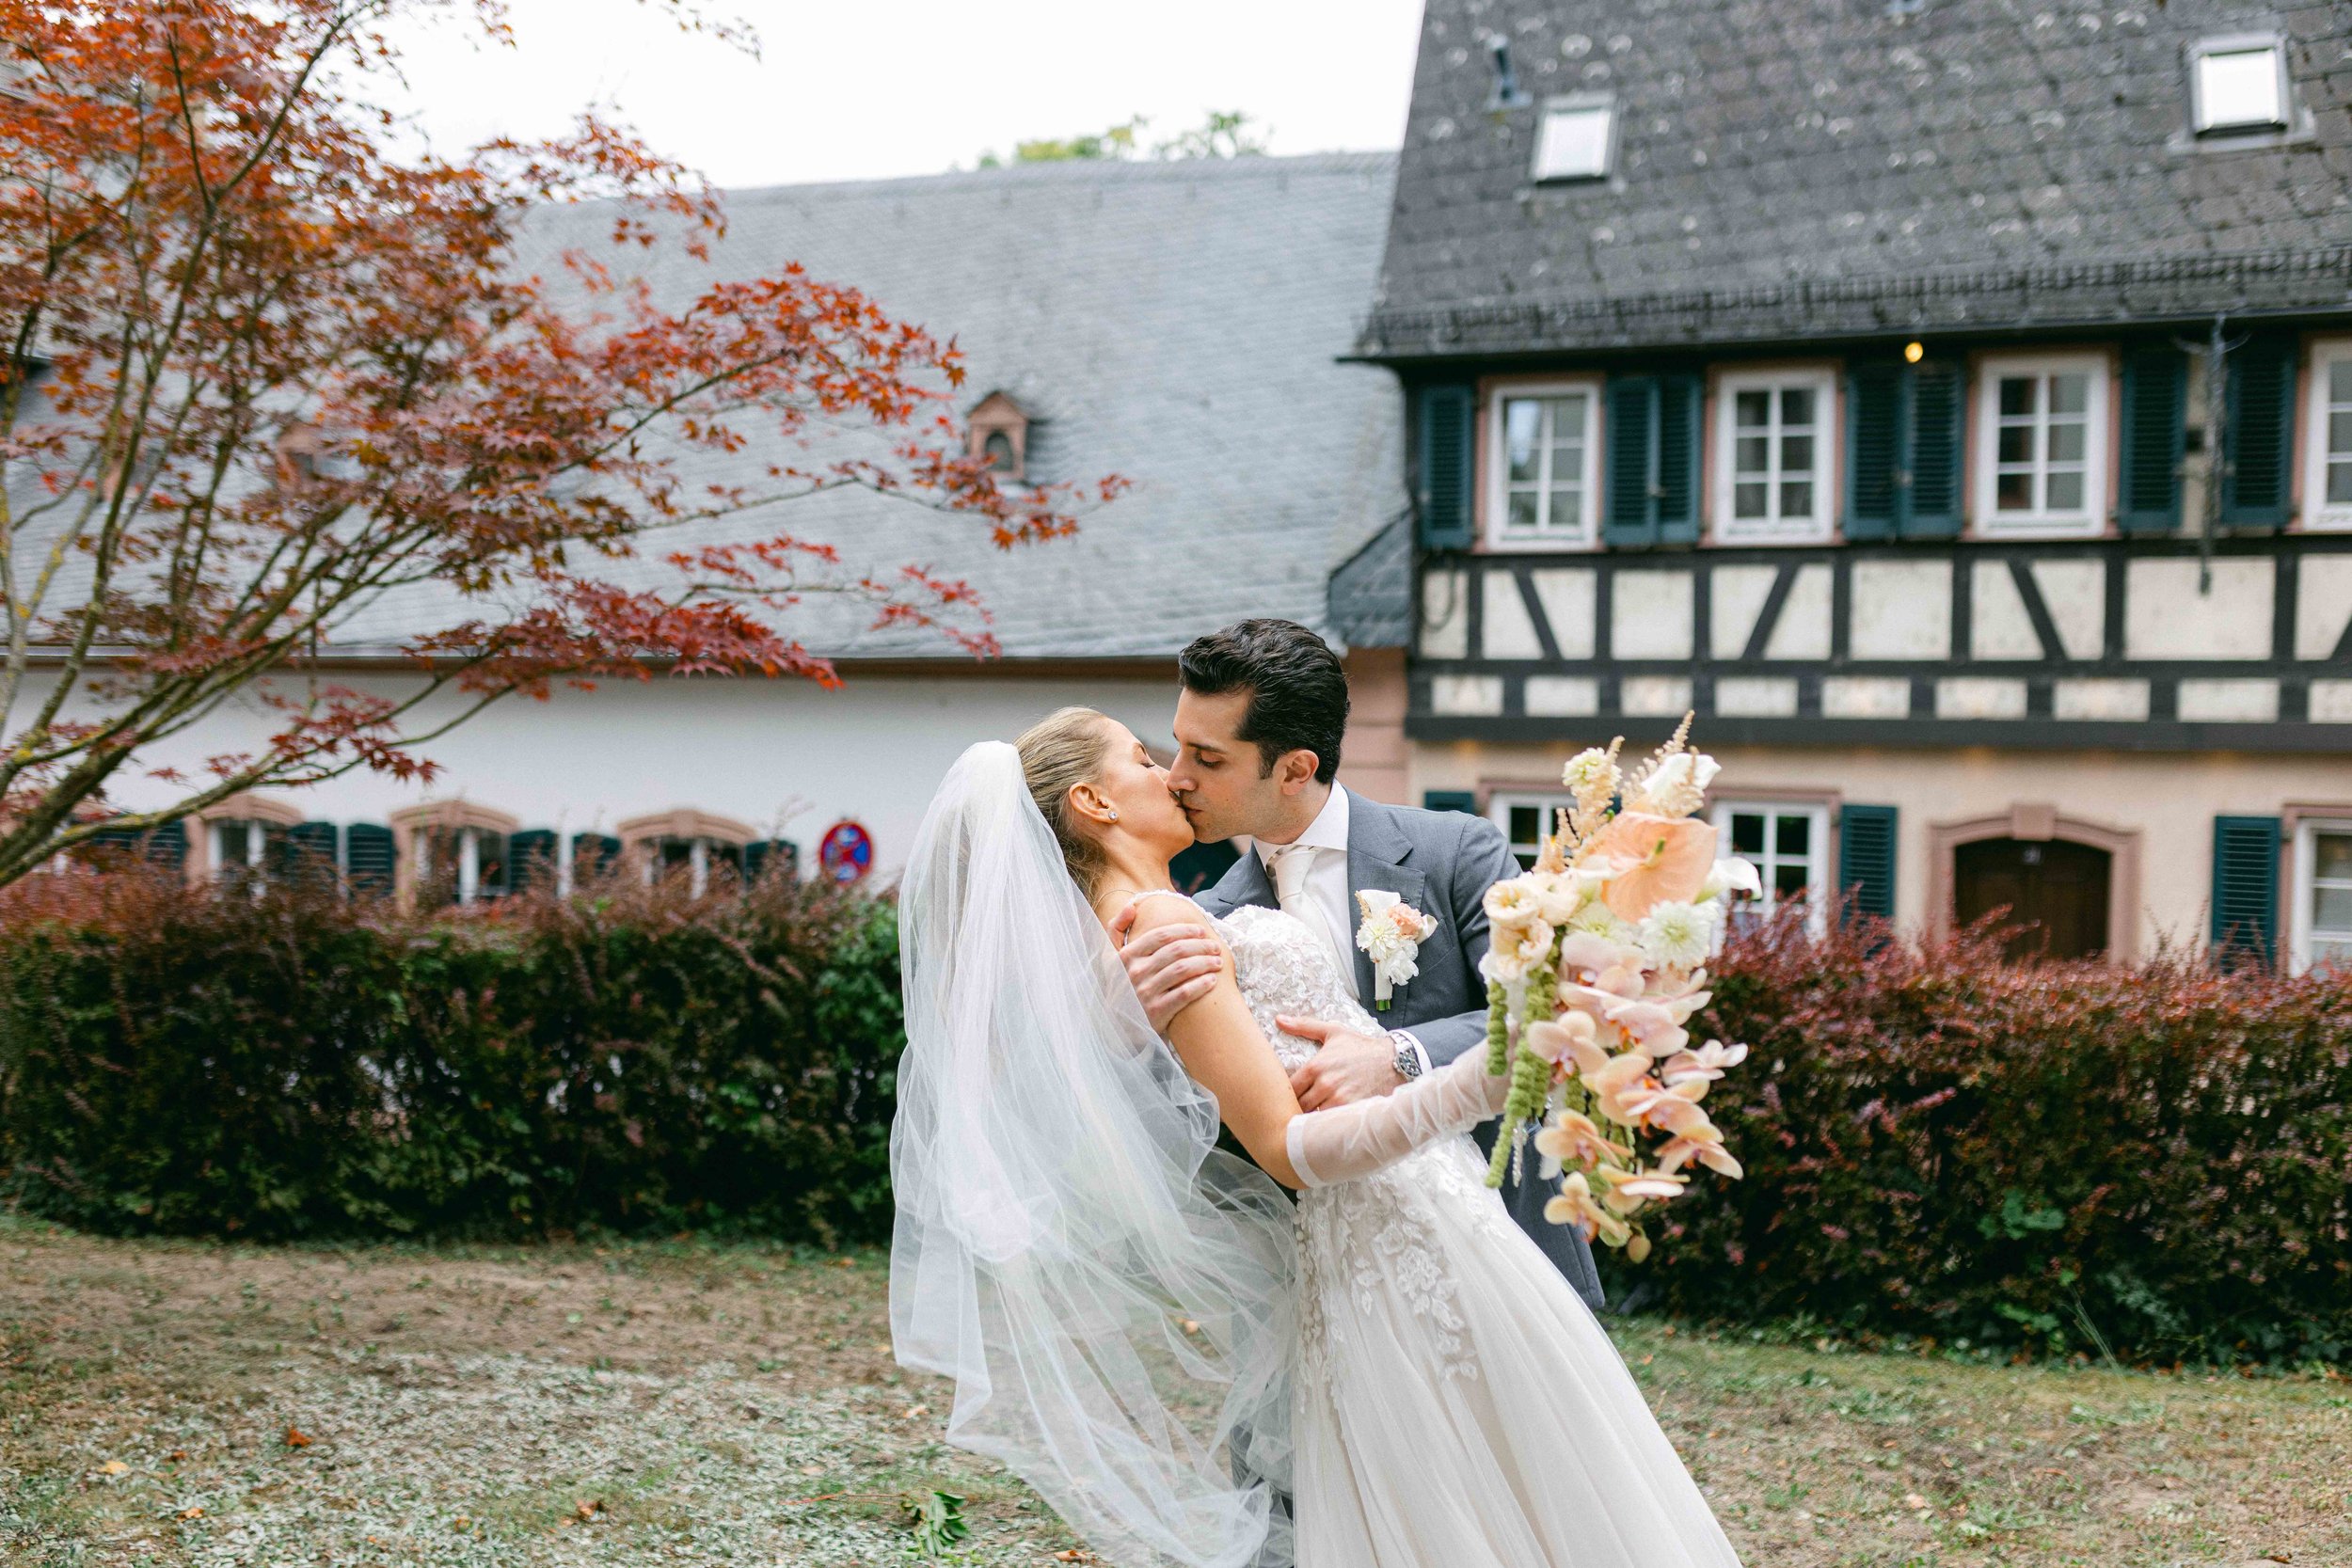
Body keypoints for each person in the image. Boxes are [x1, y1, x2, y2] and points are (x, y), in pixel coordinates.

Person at [888, 689, 1745, 1568]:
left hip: (1438, 1229)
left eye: (1198, 757)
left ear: (1295, 765)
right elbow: (1282, 1148)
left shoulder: (1196, 917)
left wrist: (1410, 1056)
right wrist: (1476, 1083)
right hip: (1385, 1243)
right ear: (1094, 803)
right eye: (1150, 757)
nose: (1175, 776)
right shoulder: (1172, 926)